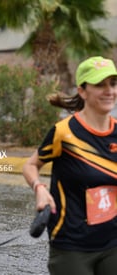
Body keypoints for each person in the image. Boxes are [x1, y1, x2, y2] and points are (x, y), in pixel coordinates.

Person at [23, 56, 117, 275]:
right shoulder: (64, 132)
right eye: (99, 84)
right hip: (72, 246)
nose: (109, 91)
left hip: (113, 241)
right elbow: (30, 165)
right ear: (83, 91)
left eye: (112, 84)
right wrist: (39, 189)